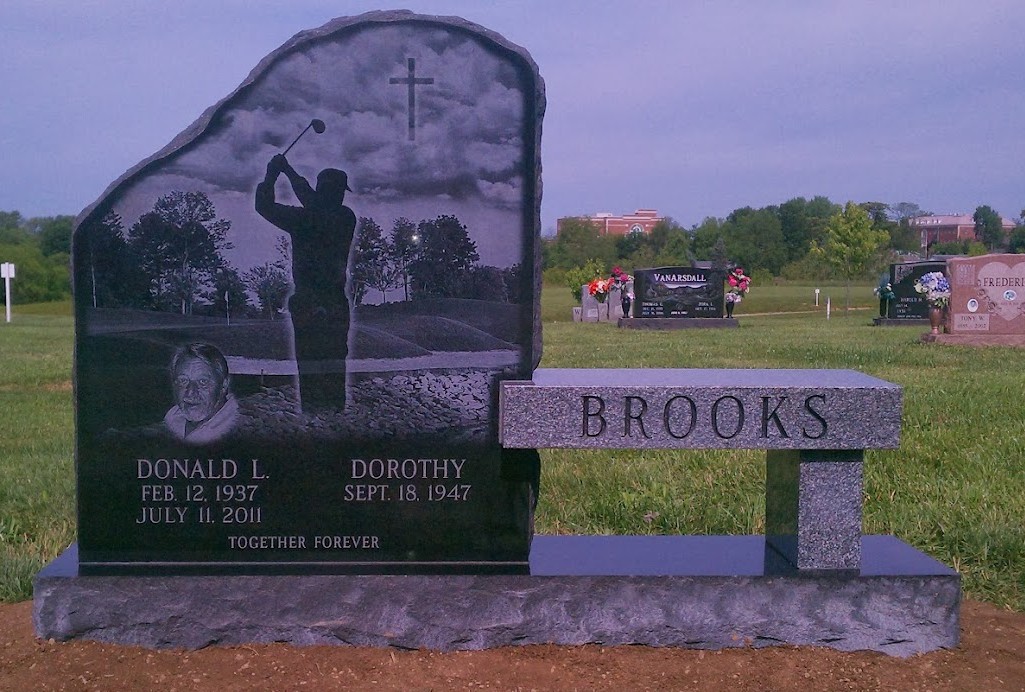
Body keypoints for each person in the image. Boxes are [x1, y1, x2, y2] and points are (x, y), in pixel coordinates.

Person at [255, 153, 356, 410]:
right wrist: (287, 172)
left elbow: (264, 206)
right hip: (333, 302)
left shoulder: (303, 219)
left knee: (311, 359)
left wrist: (274, 174)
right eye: (340, 192)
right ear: (335, 193)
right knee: (333, 360)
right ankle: (332, 411)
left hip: (309, 301)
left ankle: (316, 412)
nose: (343, 196)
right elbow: (312, 200)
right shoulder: (346, 217)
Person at [164, 343, 238, 444]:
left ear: (224, 385)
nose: (190, 392)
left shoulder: (237, 428)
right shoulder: (171, 419)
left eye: (203, 381)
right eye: (183, 380)